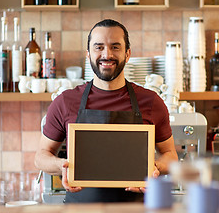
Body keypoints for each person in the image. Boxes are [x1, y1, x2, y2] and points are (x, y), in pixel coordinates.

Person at [34, 19, 178, 203]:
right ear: (88, 54)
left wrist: (153, 168)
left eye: (115, 47)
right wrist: (62, 165)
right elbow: (41, 156)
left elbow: (171, 156)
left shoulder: (151, 102)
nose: (107, 54)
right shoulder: (66, 101)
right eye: (99, 47)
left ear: (127, 54)